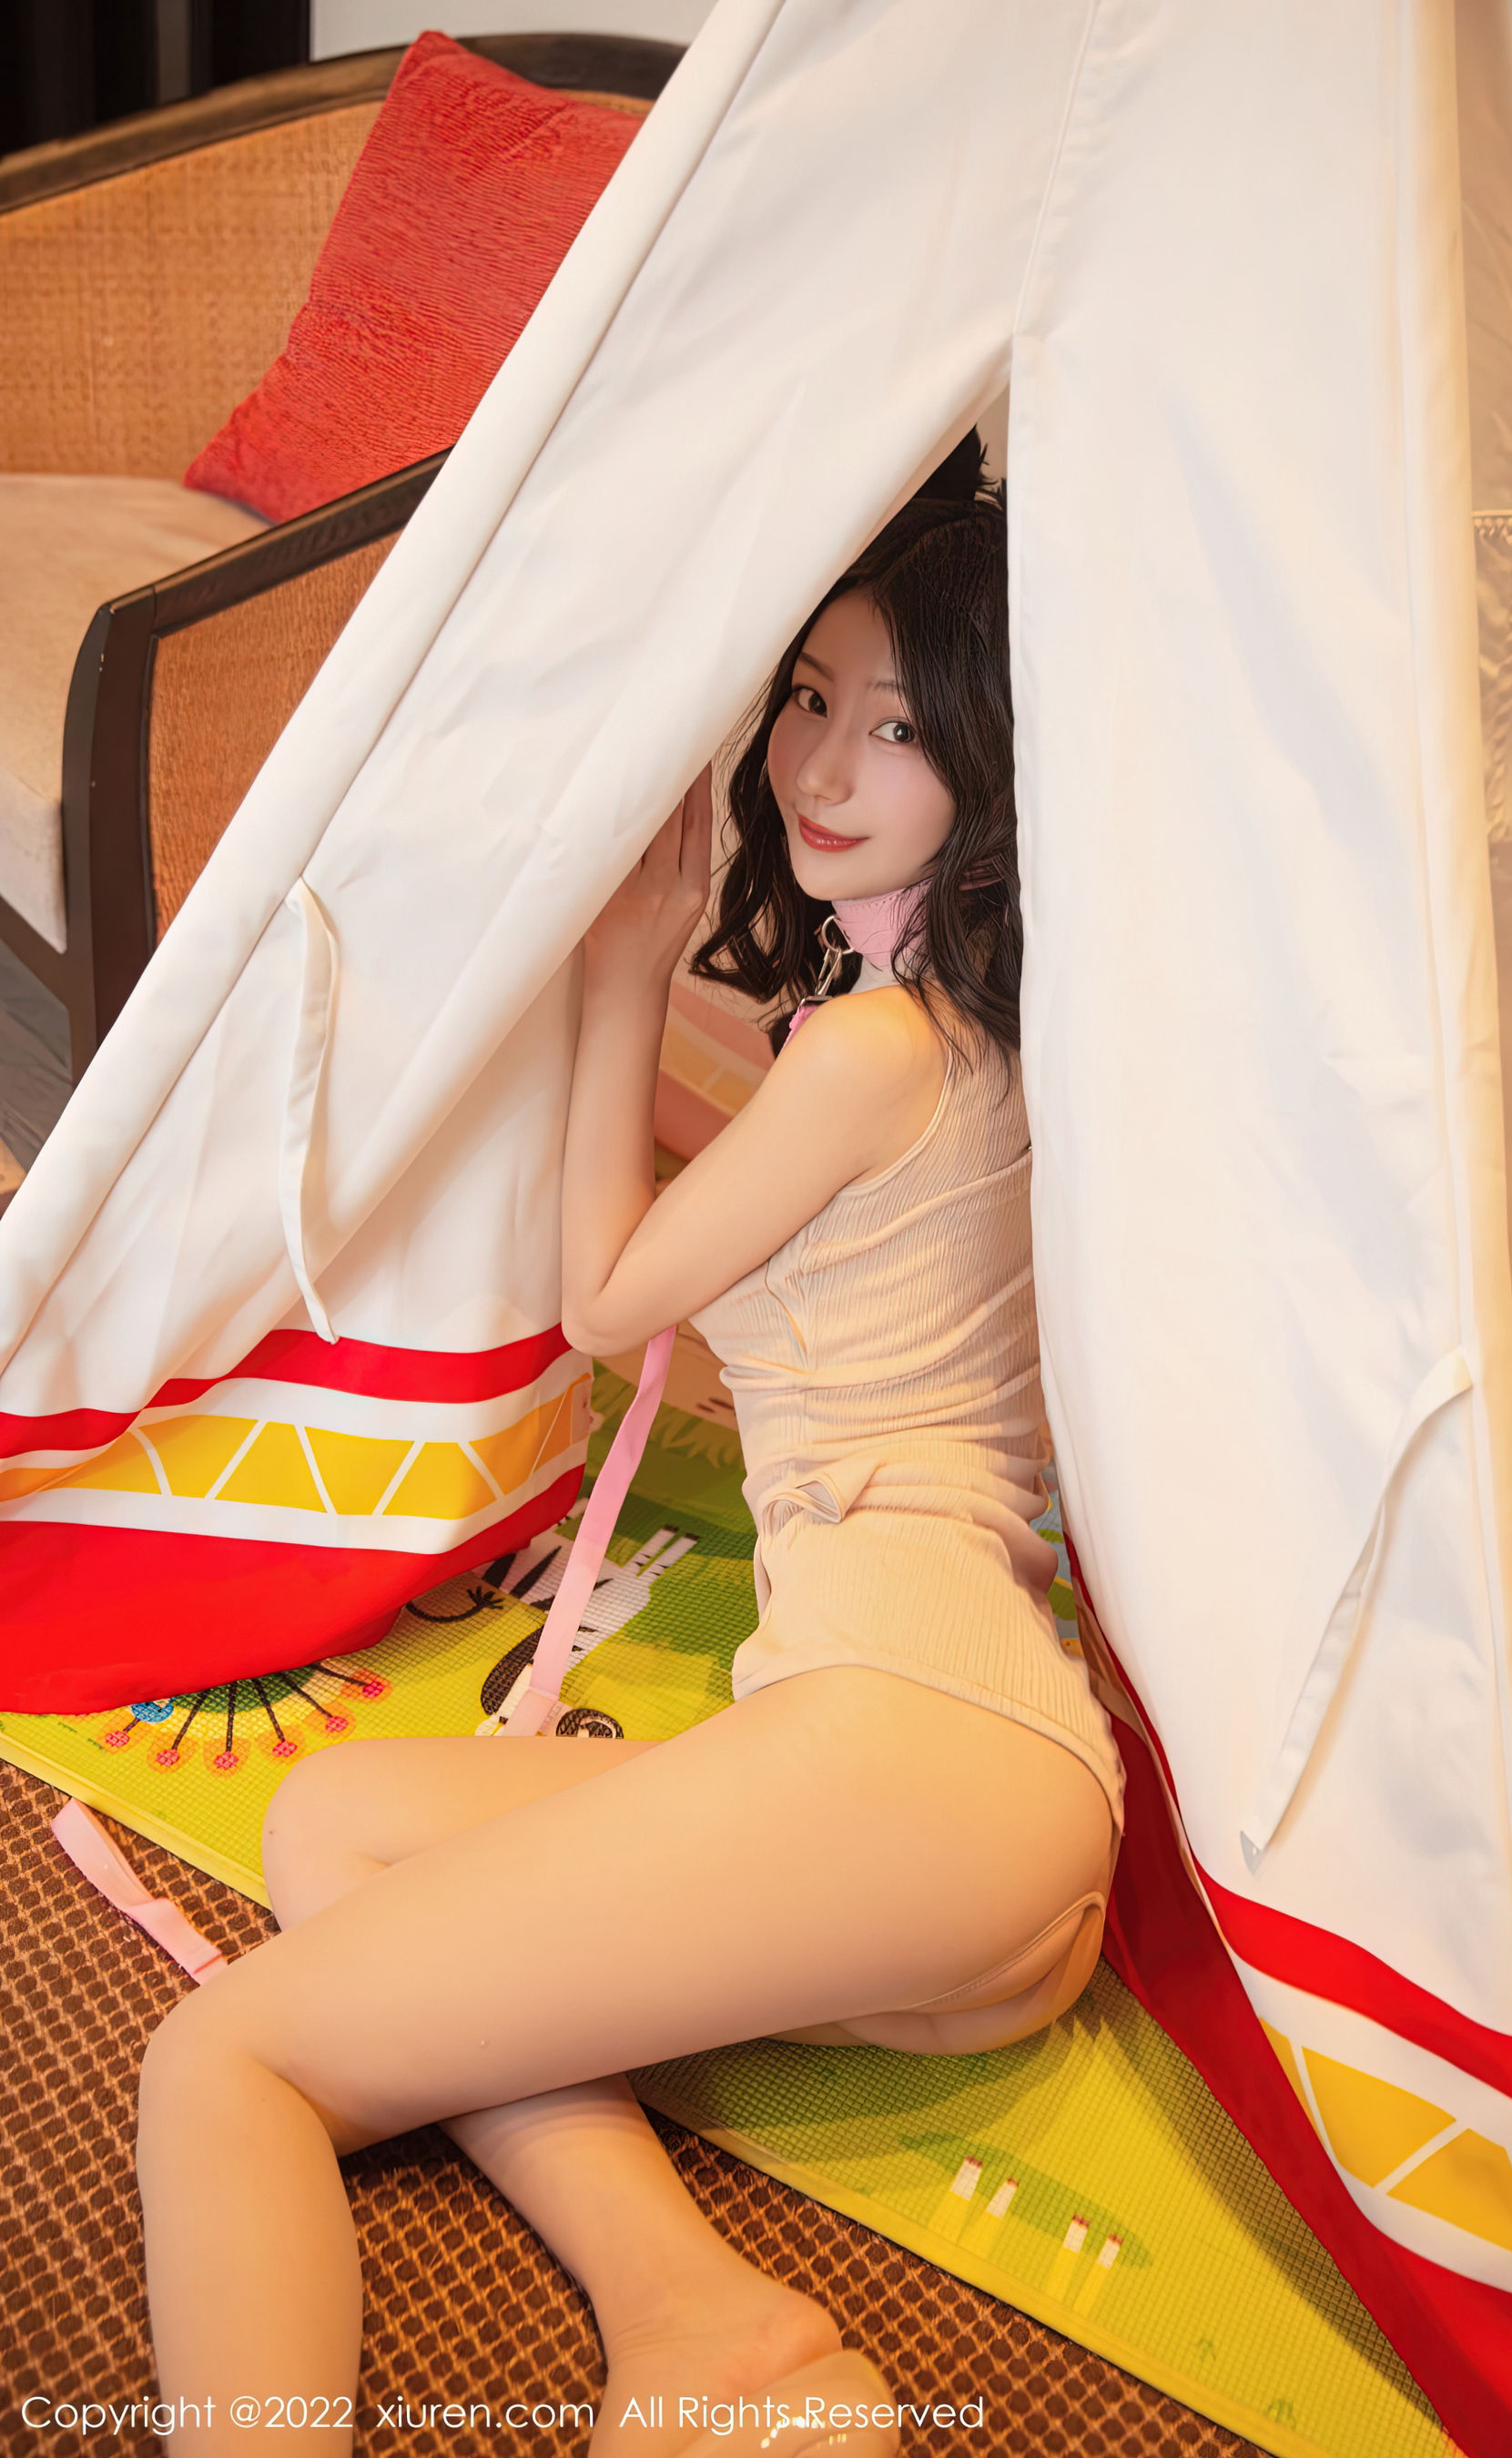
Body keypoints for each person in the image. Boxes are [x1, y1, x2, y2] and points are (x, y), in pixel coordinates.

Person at [135, 480, 1125, 2458]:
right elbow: (747, 1216)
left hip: (913, 1747)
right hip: (987, 1822)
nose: (822, 766)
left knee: (220, 2064)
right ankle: (695, 2319)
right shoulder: (997, 1040)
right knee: (335, 1826)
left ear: (993, 763)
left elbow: (606, 1296)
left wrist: (621, 971)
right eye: (809, 697)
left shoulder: (868, 1055)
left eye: (899, 725)